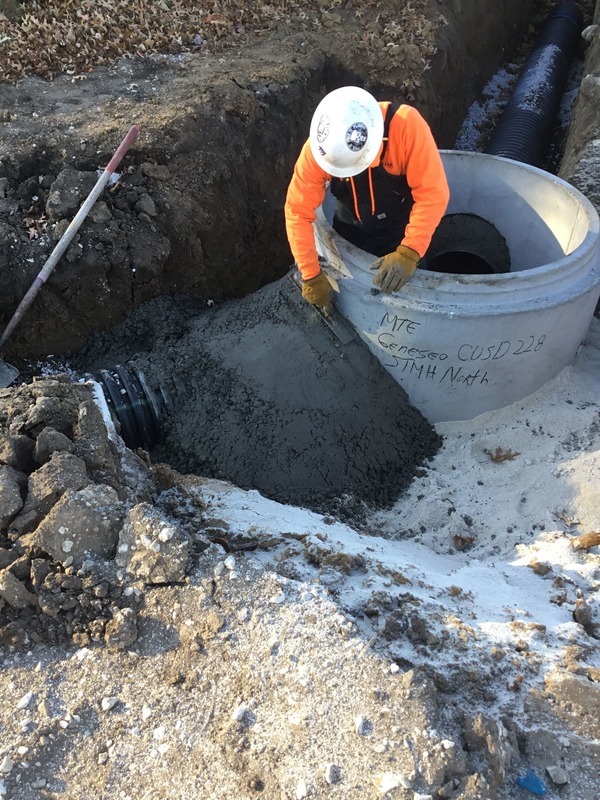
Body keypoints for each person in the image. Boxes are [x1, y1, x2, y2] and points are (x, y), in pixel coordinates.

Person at [284, 86, 450, 310]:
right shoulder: (320, 149)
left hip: (400, 232)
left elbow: (432, 193)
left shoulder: (406, 126)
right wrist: (311, 274)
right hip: (349, 230)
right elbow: (297, 210)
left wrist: (410, 251)